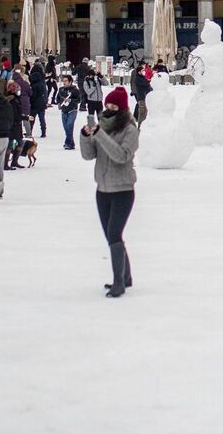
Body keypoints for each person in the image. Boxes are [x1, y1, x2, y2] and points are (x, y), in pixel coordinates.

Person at [80, 85, 141, 297]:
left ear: (123, 109)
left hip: (123, 190)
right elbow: (89, 155)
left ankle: (119, 283)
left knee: (115, 233)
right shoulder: (103, 127)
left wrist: (100, 134)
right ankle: (127, 276)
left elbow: (121, 156)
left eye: (114, 105)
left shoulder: (130, 130)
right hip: (103, 189)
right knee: (111, 235)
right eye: (107, 104)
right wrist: (86, 136)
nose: (109, 108)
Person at [54, 74, 83, 150]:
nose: (64, 82)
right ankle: (71, 143)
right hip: (64, 110)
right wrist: (59, 103)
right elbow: (58, 98)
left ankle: (67, 143)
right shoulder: (61, 89)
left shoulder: (75, 90)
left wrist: (71, 100)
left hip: (72, 110)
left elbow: (79, 100)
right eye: (63, 81)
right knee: (66, 128)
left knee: (69, 125)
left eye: (66, 81)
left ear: (70, 82)